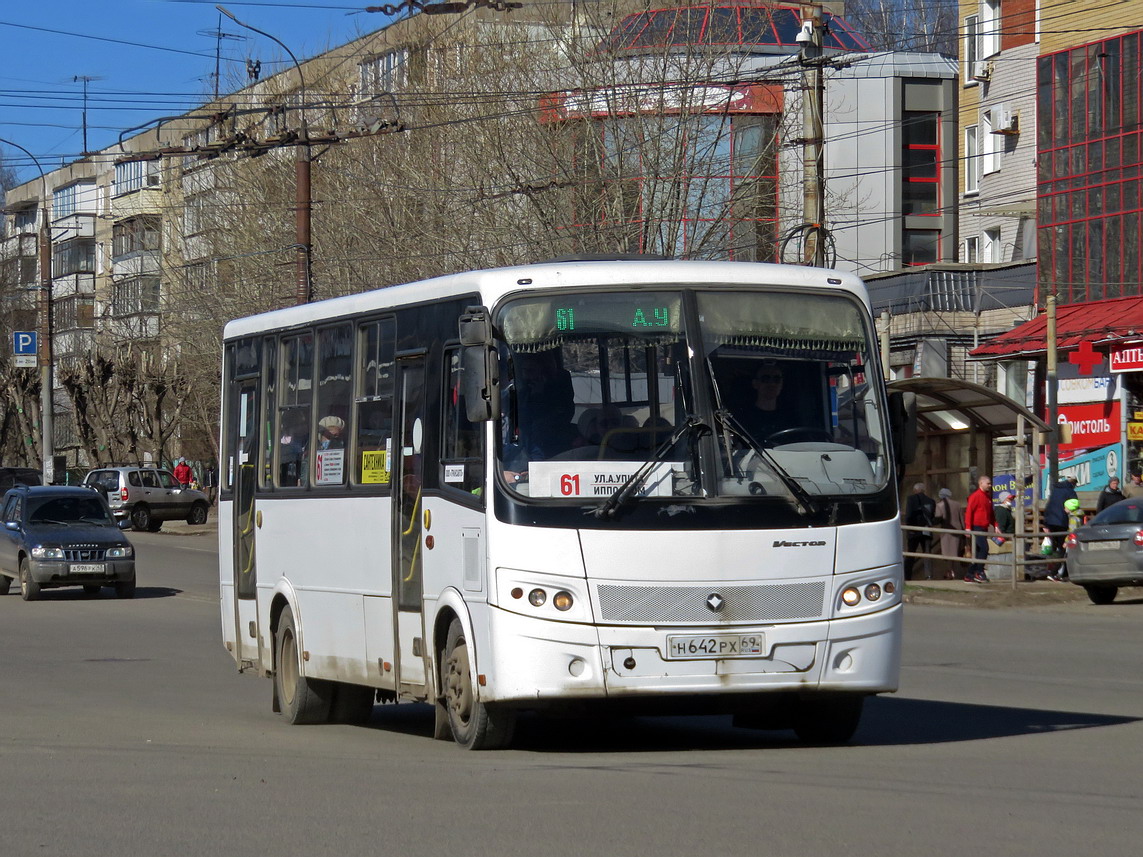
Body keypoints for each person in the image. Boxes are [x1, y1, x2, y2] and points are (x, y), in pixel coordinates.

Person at [738, 360, 797, 442]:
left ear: (781, 384)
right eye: (765, 379)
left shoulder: (791, 418)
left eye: (776, 379)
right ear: (755, 384)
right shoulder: (742, 418)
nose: (772, 384)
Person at [964, 475, 999, 583]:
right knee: (984, 548)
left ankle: (970, 574)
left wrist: (995, 525)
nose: (990, 485)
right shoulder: (975, 496)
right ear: (981, 483)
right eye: (988, 483)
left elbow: (991, 513)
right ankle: (979, 571)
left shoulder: (988, 497)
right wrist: (968, 527)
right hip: (976, 526)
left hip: (984, 527)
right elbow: (969, 511)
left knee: (979, 551)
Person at [903, 482, 936, 580]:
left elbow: (909, 515)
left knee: (910, 554)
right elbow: (932, 516)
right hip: (926, 530)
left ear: (915, 490)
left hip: (914, 530)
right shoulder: (931, 501)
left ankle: (907, 576)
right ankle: (928, 576)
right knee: (927, 554)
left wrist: (908, 527)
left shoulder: (911, 499)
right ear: (923, 490)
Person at [1049, 498, 1084, 582]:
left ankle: (1056, 573)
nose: (1064, 509)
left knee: (1065, 556)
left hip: (1072, 540)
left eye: (1066, 507)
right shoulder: (1079, 516)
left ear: (1070, 508)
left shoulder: (1073, 518)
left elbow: (1071, 531)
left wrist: (1066, 541)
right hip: (1077, 540)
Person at [933, 487, 964, 580]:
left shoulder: (939, 505)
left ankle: (949, 571)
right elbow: (961, 519)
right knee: (954, 552)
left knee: (947, 553)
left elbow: (937, 518)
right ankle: (952, 571)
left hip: (945, 531)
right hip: (957, 531)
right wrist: (964, 531)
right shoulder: (958, 504)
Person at [1043, 475, 1078, 555]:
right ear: (1073, 483)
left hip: (1050, 520)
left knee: (1052, 544)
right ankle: (1061, 563)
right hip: (1062, 520)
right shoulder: (1070, 492)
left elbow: (1049, 505)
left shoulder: (1055, 490)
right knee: (1062, 543)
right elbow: (1074, 506)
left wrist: (1045, 523)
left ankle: (1052, 562)